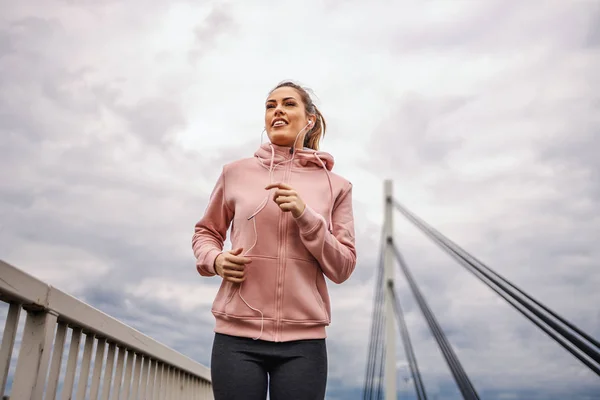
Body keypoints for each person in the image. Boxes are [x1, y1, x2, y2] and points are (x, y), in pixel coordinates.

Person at [192, 80, 357, 400]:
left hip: (304, 344)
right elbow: (206, 232)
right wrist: (216, 260)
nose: (277, 110)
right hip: (236, 337)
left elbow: (344, 266)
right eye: (270, 105)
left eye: (288, 103)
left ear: (309, 119)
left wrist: (306, 216)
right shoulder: (235, 173)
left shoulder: (337, 186)